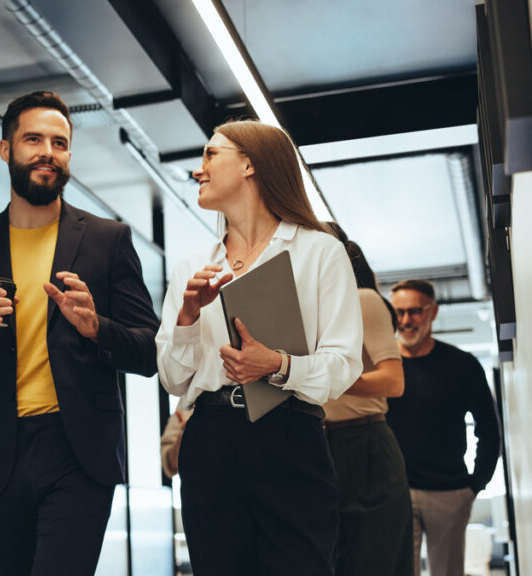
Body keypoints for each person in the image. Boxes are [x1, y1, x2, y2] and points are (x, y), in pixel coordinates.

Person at [0, 91, 159, 575]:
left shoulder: (108, 241)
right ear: (6, 149)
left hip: (78, 450)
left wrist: (97, 328)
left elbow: (149, 353)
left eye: (60, 142)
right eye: (33, 139)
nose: (48, 151)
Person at [155, 119, 363, 576]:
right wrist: (188, 316)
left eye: (211, 154)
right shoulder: (193, 267)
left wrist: (278, 364)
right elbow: (173, 379)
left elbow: (344, 363)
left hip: (288, 434)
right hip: (209, 439)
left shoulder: (320, 251)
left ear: (250, 164)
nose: (198, 169)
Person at [386, 279, 501, 576]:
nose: (405, 321)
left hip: (450, 492)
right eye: (398, 312)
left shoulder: (462, 364)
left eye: (414, 312)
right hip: (396, 491)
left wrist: (476, 484)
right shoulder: (383, 368)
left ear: (433, 312)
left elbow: (488, 427)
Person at [323, 224, 412, 576]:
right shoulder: (309, 310)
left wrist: (320, 376)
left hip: (364, 444)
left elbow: (393, 381)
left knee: (373, 561)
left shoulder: (363, 299)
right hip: (321, 444)